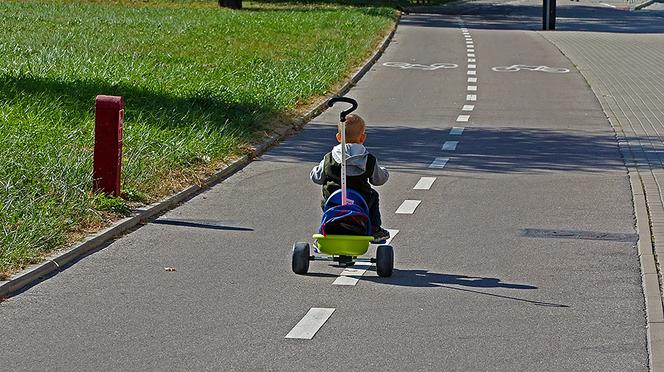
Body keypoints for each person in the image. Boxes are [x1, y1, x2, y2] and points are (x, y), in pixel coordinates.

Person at [310, 114, 390, 242]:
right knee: (373, 195)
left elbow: (317, 178)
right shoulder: (368, 159)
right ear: (362, 138)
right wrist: (384, 172)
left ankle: (326, 226)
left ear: (339, 137)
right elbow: (378, 180)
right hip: (360, 201)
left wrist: (315, 170)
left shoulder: (329, 158)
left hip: (334, 200)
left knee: (326, 201)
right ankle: (375, 228)